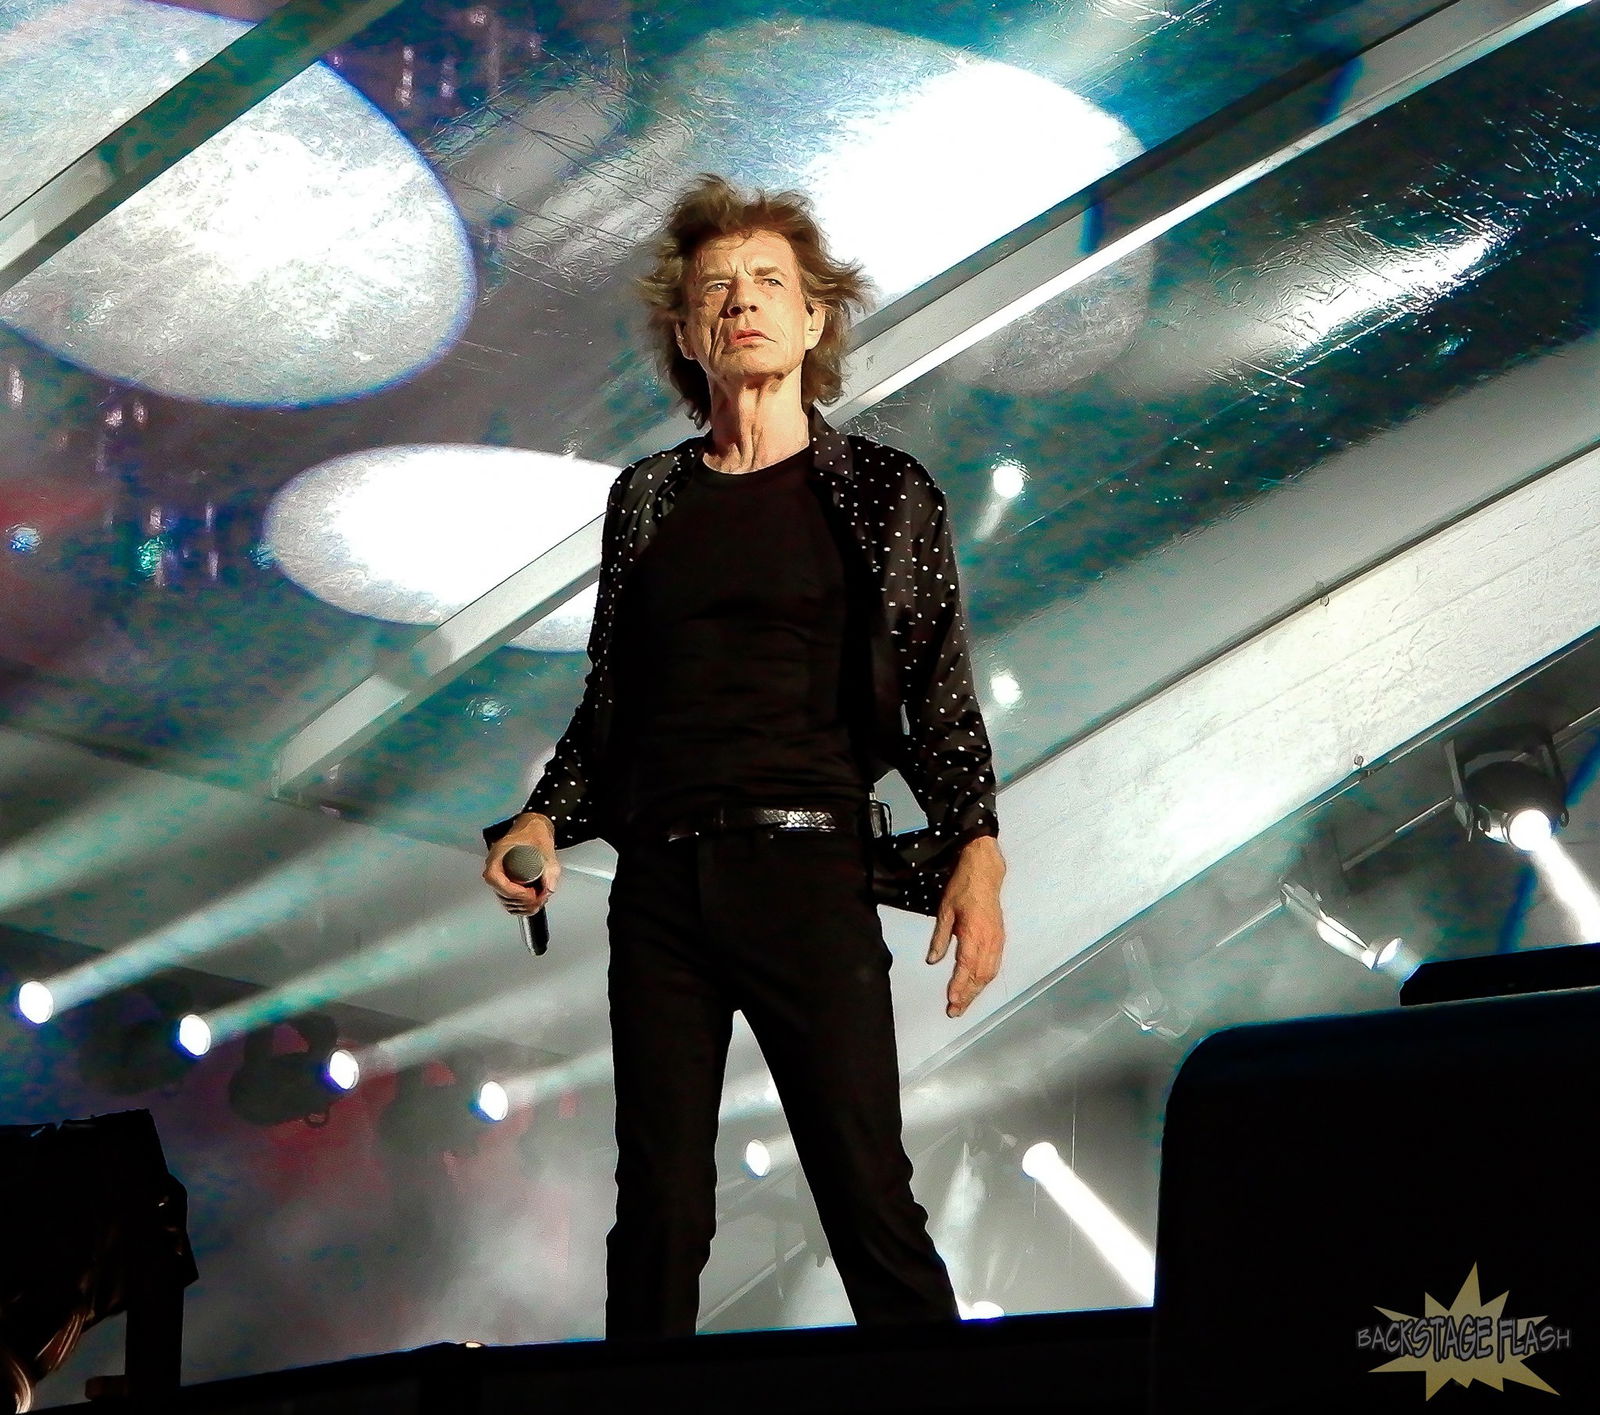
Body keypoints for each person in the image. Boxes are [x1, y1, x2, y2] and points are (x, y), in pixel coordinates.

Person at [483, 173, 1006, 1338]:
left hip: (808, 870)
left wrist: (976, 844)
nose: (742, 301)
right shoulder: (647, 498)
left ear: (814, 319)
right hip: (662, 886)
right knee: (659, 1210)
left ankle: (955, 1404)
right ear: (685, 333)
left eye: (769, 281)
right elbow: (611, 697)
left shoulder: (880, 490)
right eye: (715, 287)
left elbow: (937, 686)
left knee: (865, 1192)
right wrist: (541, 819)